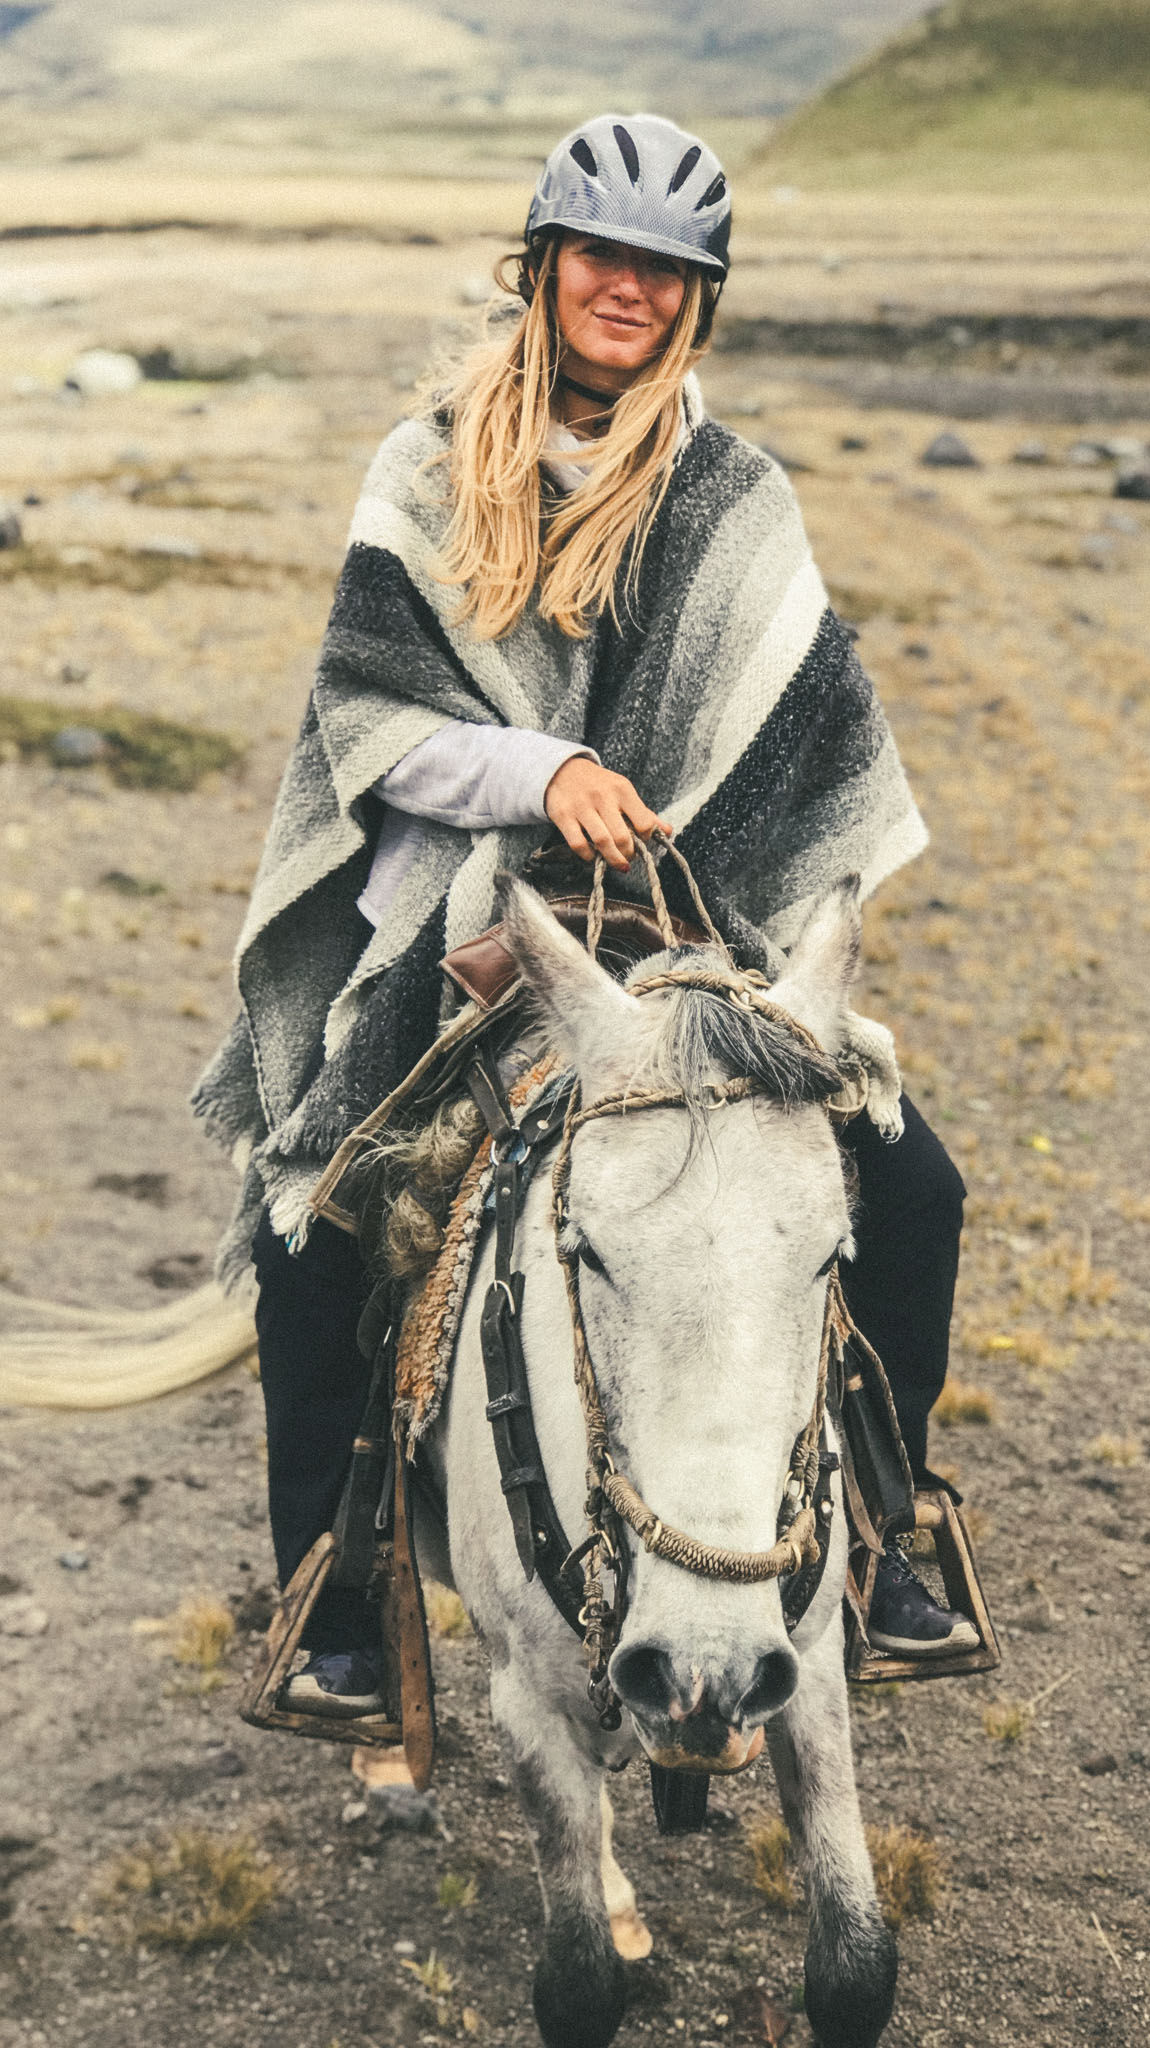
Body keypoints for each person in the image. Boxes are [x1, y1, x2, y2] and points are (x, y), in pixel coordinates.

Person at [193, 114, 974, 1718]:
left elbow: (800, 723)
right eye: (602, 256)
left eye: (666, 269)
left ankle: (894, 1535)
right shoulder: (425, 468)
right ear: (543, 267)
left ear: (699, 301)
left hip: (699, 925)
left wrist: (715, 877)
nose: (630, 287)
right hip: (464, 920)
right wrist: (545, 774)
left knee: (916, 1191)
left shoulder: (735, 493)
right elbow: (374, 713)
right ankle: (335, 1602)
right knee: (321, 1214)